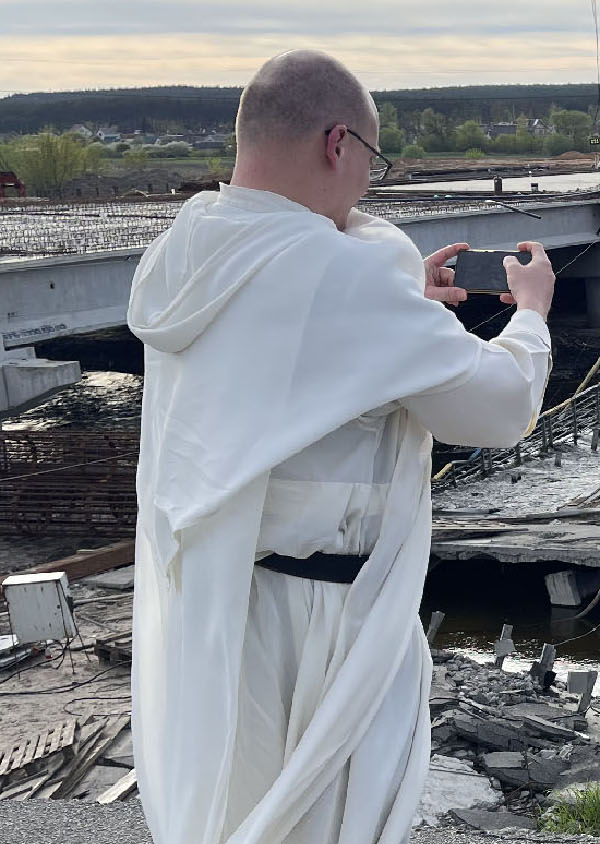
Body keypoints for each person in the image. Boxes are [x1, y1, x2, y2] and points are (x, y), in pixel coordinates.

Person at [127, 50, 555, 844]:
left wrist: (400, 313)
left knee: (237, 809)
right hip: (326, 626)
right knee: (330, 822)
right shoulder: (335, 270)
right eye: (373, 160)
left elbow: (279, 375)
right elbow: (495, 410)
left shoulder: (185, 254)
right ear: (338, 143)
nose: (368, 184)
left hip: (220, 608)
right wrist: (529, 316)